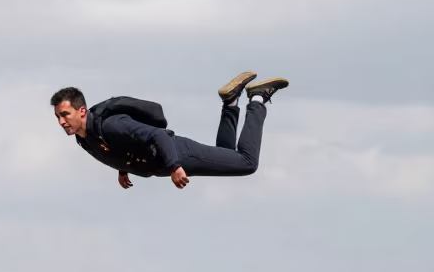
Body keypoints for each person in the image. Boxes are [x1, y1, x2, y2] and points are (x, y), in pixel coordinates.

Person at [52, 71, 288, 189]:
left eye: (65, 114)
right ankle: (231, 102)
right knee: (226, 155)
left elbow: (158, 135)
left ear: (81, 111)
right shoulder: (85, 138)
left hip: (179, 154)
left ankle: (257, 99)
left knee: (247, 163)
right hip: (170, 160)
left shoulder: (111, 125)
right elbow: (116, 149)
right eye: (58, 117)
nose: (62, 121)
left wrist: (175, 166)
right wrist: (123, 168)